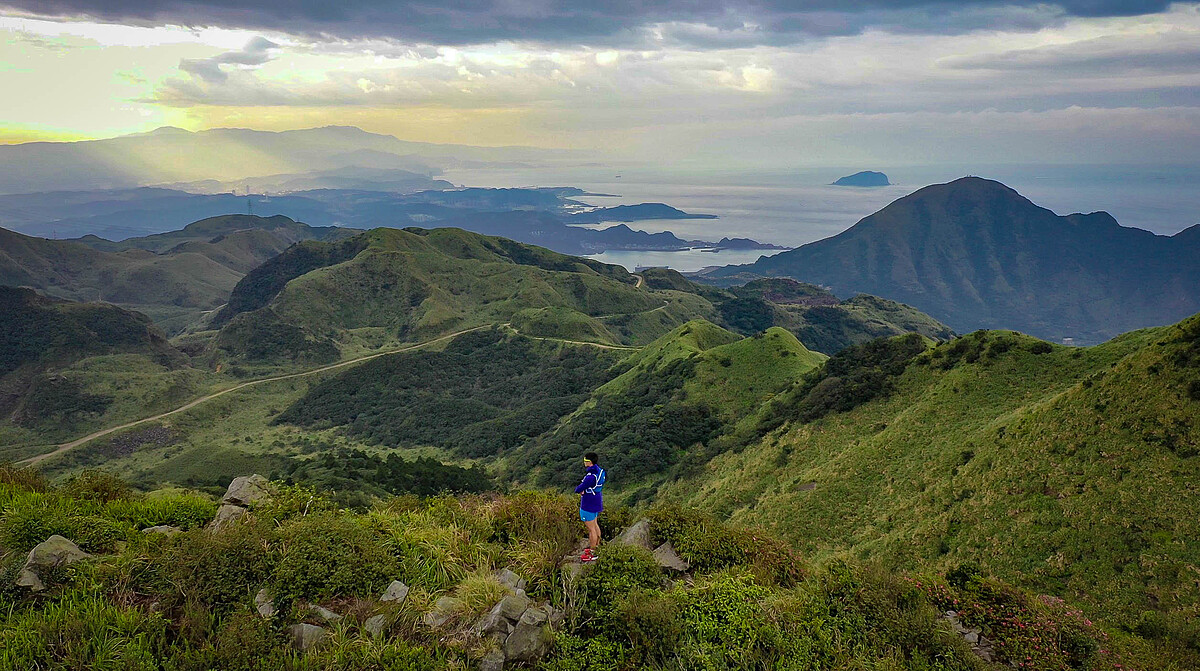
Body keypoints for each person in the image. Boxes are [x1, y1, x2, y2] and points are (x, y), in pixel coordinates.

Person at [575, 452, 605, 562]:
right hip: (597, 499)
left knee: (591, 529)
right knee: (595, 525)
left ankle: (593, 553)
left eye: (585, 461)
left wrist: (581, 489)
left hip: (588, 502)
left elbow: (579, 488)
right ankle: (597, 547)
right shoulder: (600, 472)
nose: (584, 462)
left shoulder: (590, 477)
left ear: (589, 462)